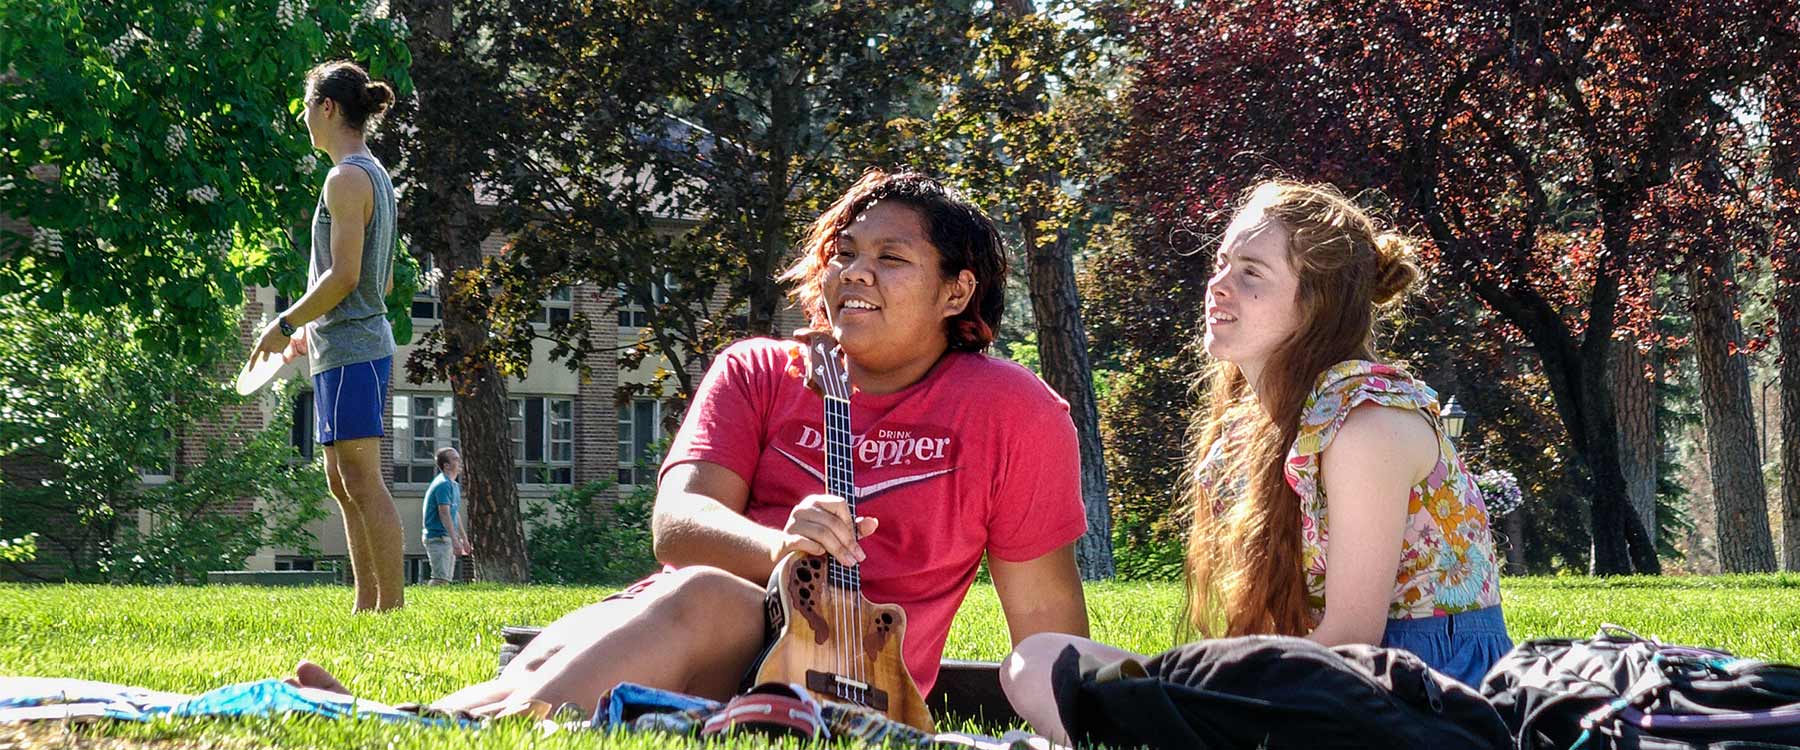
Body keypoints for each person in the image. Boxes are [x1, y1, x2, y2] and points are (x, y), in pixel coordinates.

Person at [288, 169, 1092, 718]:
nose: (854, 273)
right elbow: (677, 524)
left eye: (891, 258)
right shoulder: (759, 369)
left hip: (844, 679)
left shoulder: (1010, 410)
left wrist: (1076, 719)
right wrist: (783, 544)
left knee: (697, 596)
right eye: (843, 254)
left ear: (957, 290)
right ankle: (418, 719)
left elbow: (1048, 621)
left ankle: (436, 727)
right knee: (623, 615)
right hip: (689, 624)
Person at [999, 179, 1512, 744]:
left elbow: (1353, 641)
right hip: (1307, 689)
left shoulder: (1369, 424)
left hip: (1418, 700)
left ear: (1317, 305)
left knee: (1120, 687)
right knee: (1037, 660)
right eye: (1221, 263)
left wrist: (1199, 689)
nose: (1218, 286)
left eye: (1251, 273)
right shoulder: (1247, 432)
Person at [253, 60, 403, 612]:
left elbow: (343, 276)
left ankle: (391, 608)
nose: (303, 119)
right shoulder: (373, 174)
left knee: (362, 479)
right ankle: (367, 604)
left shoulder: (346, 178)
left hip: (356, 348)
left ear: (329, 108)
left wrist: (286, 321)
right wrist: (310, 329)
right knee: (342, 481)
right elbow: (378, 276)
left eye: (306, 107)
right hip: (341, 345)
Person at [422, 448, 469, 585]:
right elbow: (444, 514)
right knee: (440, 578)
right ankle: (427, 603)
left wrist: (464, 539)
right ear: (446, 465)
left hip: (446, 537)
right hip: (438, 537)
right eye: (455, 459)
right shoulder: (443, 484)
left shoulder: (453, 485)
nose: (459, 462)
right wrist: (455, 540)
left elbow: (454, 513)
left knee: (445, 579)